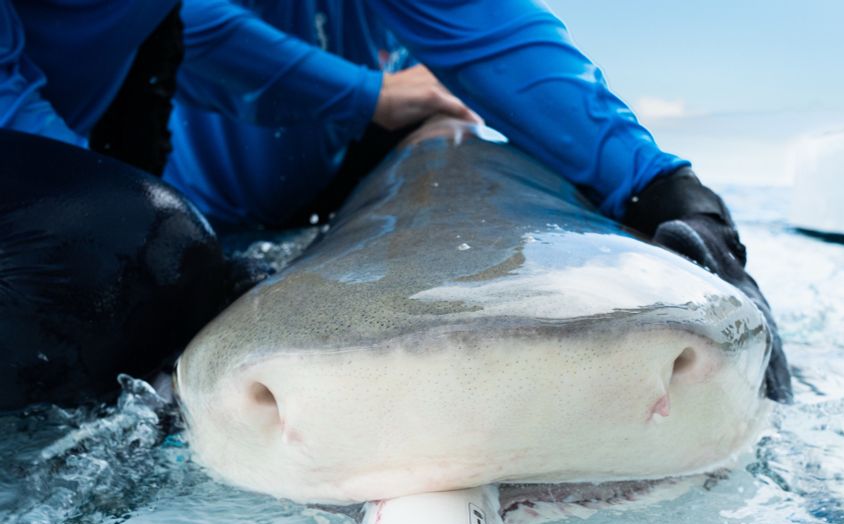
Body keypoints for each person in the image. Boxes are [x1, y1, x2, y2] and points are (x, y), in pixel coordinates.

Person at [0, 0, 791, 409]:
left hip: (121, 171)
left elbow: (485, 32)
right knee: (117, 245)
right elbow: (203, 25)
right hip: (112, 186)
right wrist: (370, 94)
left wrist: (655, 180)